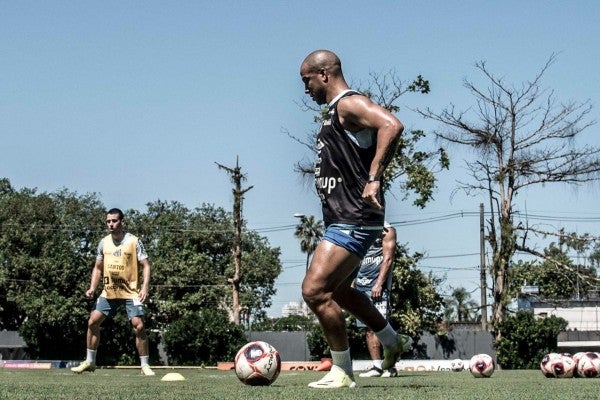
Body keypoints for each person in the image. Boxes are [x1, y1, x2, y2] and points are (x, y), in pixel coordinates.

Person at [299, 49, 411, 389]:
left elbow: (392, 124)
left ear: (324, 75)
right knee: (344, 293)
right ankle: (392, 341)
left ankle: (342, 371)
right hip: (344, 217)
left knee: (315, 290)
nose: (306, 89)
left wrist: (374, 175)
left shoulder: (349, 103)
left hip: (354, 218)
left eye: (306, 81)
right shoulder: (336, 112)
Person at [71, 208, 155, 376]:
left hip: (131, 292)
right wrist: (92, 288)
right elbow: (97, 267)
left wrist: (145, 287)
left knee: (138, 326)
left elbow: (145, 265)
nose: (111, 224)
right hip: (109, 291)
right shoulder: (103, 242)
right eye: (108, 221)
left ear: (122, 222)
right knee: (92, 322)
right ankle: (90, 361)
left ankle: (145, 365)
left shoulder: (133, 241)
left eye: (114, 221)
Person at [355, 222, 398, 378]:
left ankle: (390, 367)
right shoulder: (358, 228)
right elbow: (354, 257)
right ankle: (377, 367)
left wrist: (379, 284)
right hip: (360, 286)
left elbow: (388, 259)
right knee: (368, 328)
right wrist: (352, 282)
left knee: (381, 327)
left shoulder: (386, 229)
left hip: (378, 287)